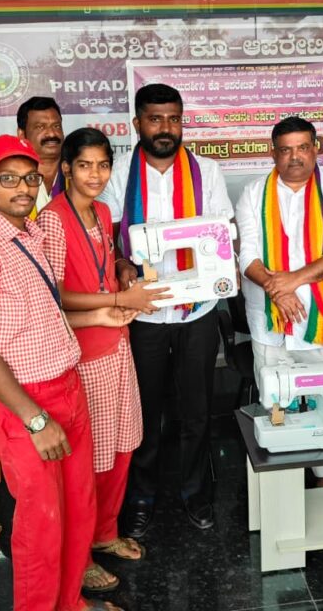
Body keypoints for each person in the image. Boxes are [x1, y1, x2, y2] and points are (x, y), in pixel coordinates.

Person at [0, 134, 132, 611]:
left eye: (29, 178)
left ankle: (71, 603)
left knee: (77, 509)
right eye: (8, 179)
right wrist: (35, 419)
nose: (23, 188)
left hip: (67, 384)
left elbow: (48, 315)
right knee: (42, 523)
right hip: (23, 401)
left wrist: (101, 314)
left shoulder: (32, 235)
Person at [38, 128, 167, 593]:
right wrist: (116, 298)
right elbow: (53, 295)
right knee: (86, 460)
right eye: (85, 165)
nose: (95, 175)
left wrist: (124, 274)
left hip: (115, 343)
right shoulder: (52, 220)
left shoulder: (104, 212)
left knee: (121, 445)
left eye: (103, 165)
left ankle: (105, 532)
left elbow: (103, 270)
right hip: (81, 354)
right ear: (66, 168)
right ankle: (82, 555)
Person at [103, 82, 233, 537]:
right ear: (137, 123)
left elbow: (222, 232)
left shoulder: (207, 172)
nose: (165, 128)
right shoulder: (118, 172)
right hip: (144, 314)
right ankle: (141, 496)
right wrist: (121, 263)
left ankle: (195, 492)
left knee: (197, 409)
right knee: (144, 410)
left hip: (197, 311)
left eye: (173, 119)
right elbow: (106, 234)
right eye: (155, 119)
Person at [235, 116, 323, 484]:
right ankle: (283, 484)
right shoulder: (253, 193)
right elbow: (248, 255)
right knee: (276, 408)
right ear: (272, 152)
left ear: (316, 149)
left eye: (303, 148)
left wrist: (290, 281)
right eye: (285, 150)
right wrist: (275, 288)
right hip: (270, 326)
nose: (295, 157)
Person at [16, 95, 67, 214]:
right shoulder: (12, 180)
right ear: (22, 134)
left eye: (56, 126)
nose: (51, 133)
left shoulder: (76, 173)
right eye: (40, 127)